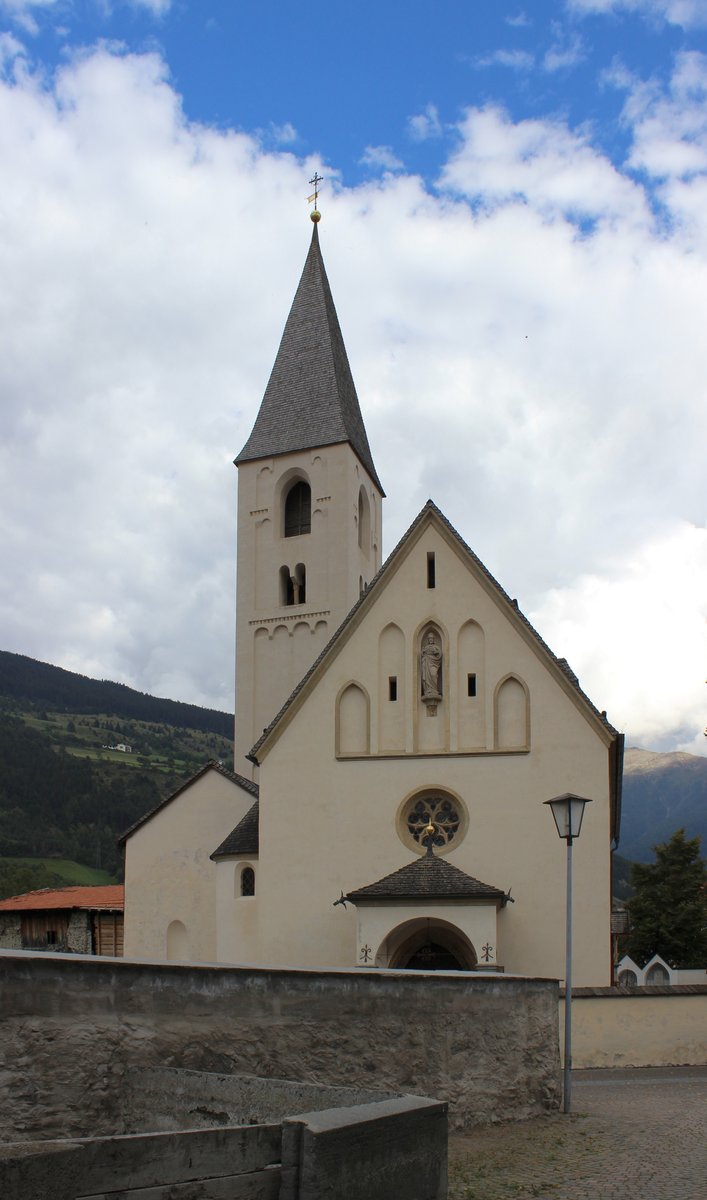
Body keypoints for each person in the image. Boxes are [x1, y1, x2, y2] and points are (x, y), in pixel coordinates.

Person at [421, 632, 442, 699]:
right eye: (429, 638)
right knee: (426, 677)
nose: (430, 640)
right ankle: (428, 690)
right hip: (427, 663)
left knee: (433, 674)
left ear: (433, 639)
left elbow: (440, 655)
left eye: (431, 638)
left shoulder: (436, 647)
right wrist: (423, 652)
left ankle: (434, 690)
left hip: (434, 663)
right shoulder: (426, 647)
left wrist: (436, 652)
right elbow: (422, 655)